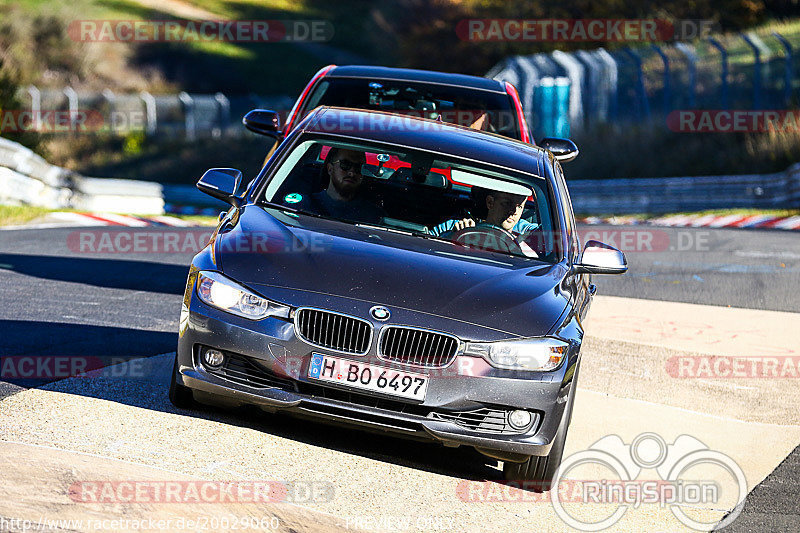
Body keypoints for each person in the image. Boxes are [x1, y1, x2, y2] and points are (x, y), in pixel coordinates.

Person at [307, 147, 386, 224]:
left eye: (358, 167)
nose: (352, 173)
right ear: (330, 169)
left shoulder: (374, 216)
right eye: (345, 165)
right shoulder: (305, 206)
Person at [431, 188, 538, 237]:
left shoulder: (524, 232)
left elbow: (549, 234)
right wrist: (452, 235)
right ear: (490, 202)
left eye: (519, 206)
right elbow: (424, 242)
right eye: (507, 203)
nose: (514, 211)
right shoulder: (452, 226)